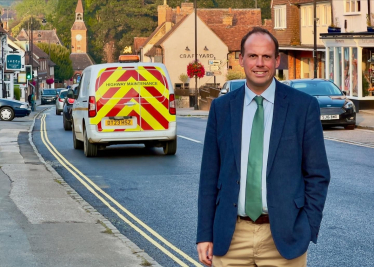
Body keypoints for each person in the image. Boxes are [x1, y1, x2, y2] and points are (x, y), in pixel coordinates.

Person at [196, 27, 330, 267]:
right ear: (241, 59)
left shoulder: (303, 107)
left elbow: (318, 174)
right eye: (253, 56)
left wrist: (308, 226)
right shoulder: (222, 108)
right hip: (231, 237)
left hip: (284, 239)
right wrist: (205, 234)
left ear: (277, 60)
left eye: (267, 56)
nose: (260, 63)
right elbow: (209, 177)